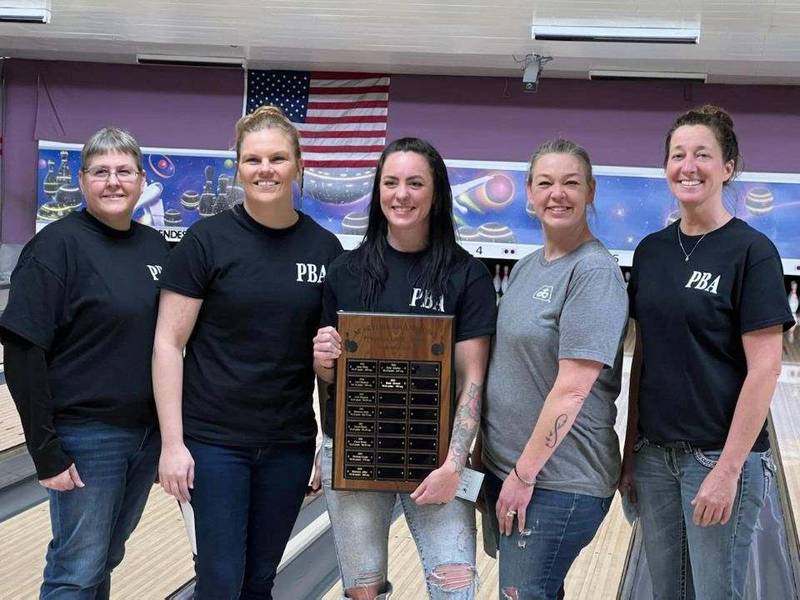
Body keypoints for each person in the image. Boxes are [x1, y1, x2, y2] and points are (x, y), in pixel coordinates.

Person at [153, 105, 342, 599]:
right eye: (253, 159)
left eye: (278, 158)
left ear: (299, 166)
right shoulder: (205, 242)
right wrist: (172, 444)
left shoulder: (326, 251)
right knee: (219, 580)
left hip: (287, 442)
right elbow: (168, 344)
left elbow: (331, 361)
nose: (266, 169)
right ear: (237, 166)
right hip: (214, 443)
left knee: (260, 581)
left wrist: (329, 442)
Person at [620, 105, 794, 600]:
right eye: (678, 155)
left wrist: (727, 470)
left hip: (716, 457)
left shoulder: (751, 252)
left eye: (703, 154)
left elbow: (765, 369)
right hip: (654, 457)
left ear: (728, 167)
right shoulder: (650, 251)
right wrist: (630, 450)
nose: (688, 166)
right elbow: (645, 357)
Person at [313, 137, 496, 600]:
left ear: (435, 194)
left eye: (416, 183)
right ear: (378, 191)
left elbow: (472, 378)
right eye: (391, 182)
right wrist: (324, 361)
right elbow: (333, 378)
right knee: (363, 592)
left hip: (437, 460)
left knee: (455, 587)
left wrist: (456, 465)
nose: (402, 194)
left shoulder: (466, 275)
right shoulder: (345, 272)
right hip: (356, 453)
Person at [0, 127, 169, 599]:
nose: (113, 181)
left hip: (146, 435)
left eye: (123, 171)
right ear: (81, 181)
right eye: (101, 172)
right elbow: (22, 351)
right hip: (88, 436)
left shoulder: (155, 248)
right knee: (77, 566)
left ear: (140, 180)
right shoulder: (57, 247)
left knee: (105, 557)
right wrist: (45, 450)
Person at [481, 138, 628, 600]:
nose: (557, 193)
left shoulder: (594, 273)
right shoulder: (527, 268)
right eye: (545, 183)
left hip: (558, 481)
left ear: (591, 192)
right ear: (529, 192)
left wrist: (523, 476)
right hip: (515, 473)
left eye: (571, 183)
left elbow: (572, 391)